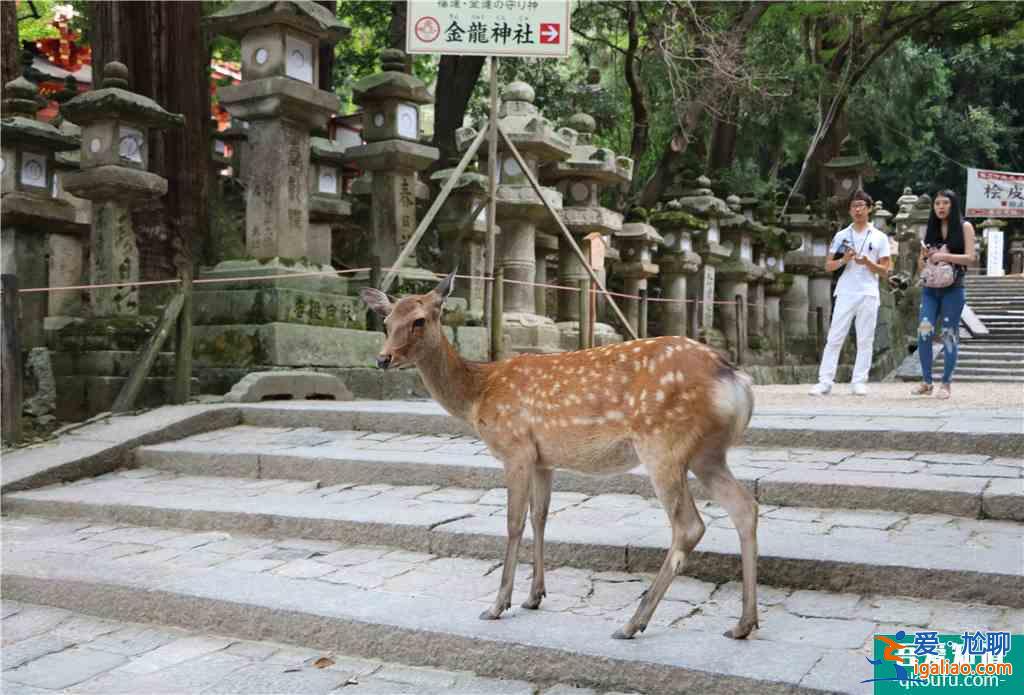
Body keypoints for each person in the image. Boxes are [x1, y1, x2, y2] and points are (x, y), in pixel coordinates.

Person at [809, 190, 892, 396]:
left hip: (869, 292)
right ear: (849, 210)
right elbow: (828, 266)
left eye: (861, 205)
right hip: (845, 291)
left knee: (866, 338)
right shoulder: (841, 235)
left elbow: (886, 270)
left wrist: (868, 263)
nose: (857, 209)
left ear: (869, 208)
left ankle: (859, 380)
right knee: (835, 336)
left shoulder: (879, 237)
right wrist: (844, 260)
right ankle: (825, 381)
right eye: (854, 206)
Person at [912, 189, 975, 399]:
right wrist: (924, 258)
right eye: (937, 203)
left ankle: (946, 383)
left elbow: (970, 258)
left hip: (954, 288)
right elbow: (921, 264)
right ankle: (926, 381)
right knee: (924, 331)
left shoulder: (965, 226)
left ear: (953, 205)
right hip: (930, 289)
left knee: (949, 333)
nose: (940, 207)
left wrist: (945, 255)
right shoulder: (931, 229)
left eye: (945, 203)